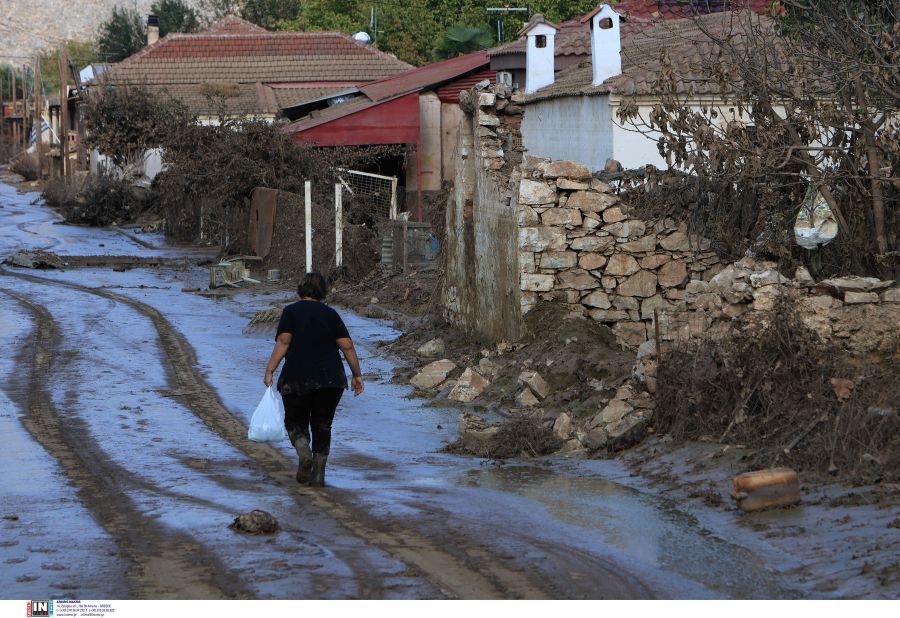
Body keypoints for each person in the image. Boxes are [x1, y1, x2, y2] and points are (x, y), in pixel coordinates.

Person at [264, 272, 364, 487]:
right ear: (323, 292)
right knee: (323, 424)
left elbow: (283, 342)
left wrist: (270, 370)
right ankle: (318, 474)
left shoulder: (291, 312)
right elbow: (346, 346)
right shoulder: (331, 314)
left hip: (296, 377)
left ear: (301, 290)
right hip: (330, 380)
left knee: (295, 421)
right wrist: (357, 375)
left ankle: (303, 451)